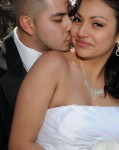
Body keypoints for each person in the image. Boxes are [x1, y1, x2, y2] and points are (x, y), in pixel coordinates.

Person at [9, 0, 119, 149]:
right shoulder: (52, 65)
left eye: (97, 24)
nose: (81, 32)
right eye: (78, 19)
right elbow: (19, 145)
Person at [0, 0, 77, 149]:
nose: (70, 25)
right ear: (28, 25)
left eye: (71, 14)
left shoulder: (87, 59)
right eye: (58, 19)